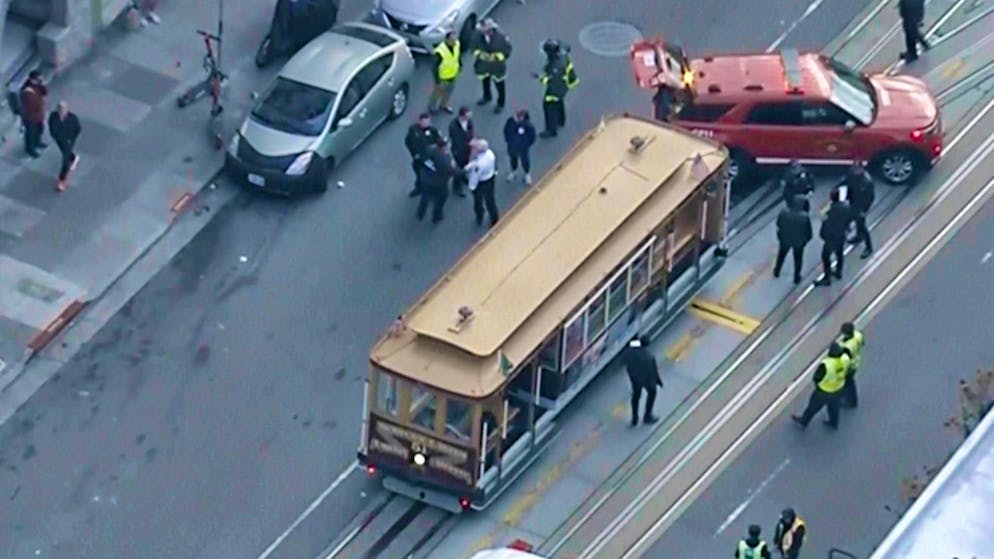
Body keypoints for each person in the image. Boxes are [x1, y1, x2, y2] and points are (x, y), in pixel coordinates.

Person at [792, 342, 850, 429]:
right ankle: (834, 423)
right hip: (838, 389)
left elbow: (817, 378)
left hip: (824, 391)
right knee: (834, 408)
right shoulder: (845, 359)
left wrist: (818, 385)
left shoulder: (826, 364)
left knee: (812, 407)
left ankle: (804, 421)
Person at [538, 39, 579, 138]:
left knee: (549, 106)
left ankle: (551, 130)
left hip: (556, 90)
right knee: (559, 102)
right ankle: (561, 120)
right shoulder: (563, 57)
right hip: (564, 87)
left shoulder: (554, 67)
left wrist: (542, 78)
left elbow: (553, 82)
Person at [814, 188, 852, 287]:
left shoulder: (830, 211)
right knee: (839, 253)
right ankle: (839, 271)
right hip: (841, 235)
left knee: (825, 257)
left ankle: (827, 278)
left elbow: (826, 224)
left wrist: (823, 235)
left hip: (831, 238)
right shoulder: (846, 207)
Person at [472, 19, 512, 113]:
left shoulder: (501, 37)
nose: (483, 32)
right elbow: (473, 47)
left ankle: (500, 104)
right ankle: (487, 96)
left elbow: (507, 50)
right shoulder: (477, 35)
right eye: (482, 30)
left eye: (485, 30)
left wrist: (497, 57)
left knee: (500, 86)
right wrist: (480, 55)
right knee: (485, 81)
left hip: (497, 67)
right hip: (483, 66)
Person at [623, 336, 662, 427]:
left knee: (636, 396)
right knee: (652, 393)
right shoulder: (649, 357)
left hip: (635, 379)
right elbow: (654, 371)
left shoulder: (629, 351)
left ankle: (634, 418)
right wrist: (658, 381)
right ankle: (647, 415)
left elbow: (624, 362)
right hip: (647, 379)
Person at [773, 196, 812, 285]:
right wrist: (805, 241)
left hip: (785, 239)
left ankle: (777, 270)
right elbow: (808, 232)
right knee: (798, 259)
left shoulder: (784, 212)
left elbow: (778, 224)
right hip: (798, 242)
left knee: (781, 255)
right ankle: (796, 277)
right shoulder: (805, 217)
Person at [416, 138, 455, 224]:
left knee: (425, 197)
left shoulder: (428, 150)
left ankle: (420, 212)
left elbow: (419, 160)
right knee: (441, 198)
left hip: (426, 180)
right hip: (439, 184)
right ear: (444, 147)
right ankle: (436, 216)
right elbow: (451, 171)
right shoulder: (445, 159)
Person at [404, 113, 443, 198]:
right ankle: (418, 188)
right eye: (424, 122)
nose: (426, 124)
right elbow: (408, 141)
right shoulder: (413, 129)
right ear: (420, 121)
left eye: (428, 122)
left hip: (429, 160)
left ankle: (432, 191)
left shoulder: (433, 130)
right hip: (418, 159)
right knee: (419, 175)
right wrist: (414, 154)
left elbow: (440, 142)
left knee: (431, 177)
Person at [842, 162, 875, 259]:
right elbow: (846, 182)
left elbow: (870, 198)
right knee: (847, 221)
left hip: (861, 207)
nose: (854, 170)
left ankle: (869, 247)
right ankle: (857, 236)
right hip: (852, 203)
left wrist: (864, 210)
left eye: (857, 169)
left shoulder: (867, 182)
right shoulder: (851, 174)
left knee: (862, 226)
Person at [48, 101, 82, 192]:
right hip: (60, 141)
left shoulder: (72, 118)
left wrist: (71, 139)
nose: (61, 111)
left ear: (67, 109)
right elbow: (51, 126)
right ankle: (73, 158)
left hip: (69, 141)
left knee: (65, 161)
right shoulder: (53, 116)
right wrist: (54, 135)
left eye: (63, 109)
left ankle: (61, 180)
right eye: (60, 109)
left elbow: (78, 128)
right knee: (64, 153)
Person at [465, 138, 499, 227]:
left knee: (478, 201)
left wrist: (472, 187)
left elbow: (475, 176)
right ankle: (494, 218)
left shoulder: (479, 164)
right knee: (490, 200)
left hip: (482, 183)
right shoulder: (490, 154)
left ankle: (480, 215)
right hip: (490, 178)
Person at [428, 31, 460, 114]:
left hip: (452, 75)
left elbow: (457, 56)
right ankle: (432, 108)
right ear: (447, 39)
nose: (454, 42)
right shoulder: (440, 51)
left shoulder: (457, 44)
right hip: (442, 78)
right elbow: (434, 67)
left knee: (448, 93)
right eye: (452, 40)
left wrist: (460, 65)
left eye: (455, 39)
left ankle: (444, 105)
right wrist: (437, 80)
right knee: (436, 94)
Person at [19, 71, 48, 158]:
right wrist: (42, 101)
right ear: (32, 80)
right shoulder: (27, 91)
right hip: (30, 117)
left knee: (39, 130)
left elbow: (45, 93)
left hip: (38, 114)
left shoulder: (38, 85)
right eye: (38, 79)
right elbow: (33, 104)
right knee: (30, 133)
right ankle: (30, 149)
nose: (39, 81)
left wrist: (43, 85)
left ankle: (37, 142)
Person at [503, 109, 536, 185]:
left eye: (520, 116)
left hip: (523, 148)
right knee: (513, 159)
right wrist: (508, 140)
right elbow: (506, 130)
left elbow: (532, 137)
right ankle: (513, 172)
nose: (518, 117)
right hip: (512, 145)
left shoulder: (527, 125)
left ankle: (527, 174)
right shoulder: (511, 122)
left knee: (525, 161)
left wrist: (526, 144)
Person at [448, 107, 475, 197]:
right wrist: (469, 142)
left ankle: (463, 177)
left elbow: (471, 132)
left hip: (467, 149)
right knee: (458, 169)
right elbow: (457, 140)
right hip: (458, 151)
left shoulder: (469, 122)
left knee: (465, 165)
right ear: (462, 116)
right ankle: (456, 186)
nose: (469, 118)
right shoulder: (453, 126)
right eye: (467, 116)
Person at [837, 321, 866, 408]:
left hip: (850, 366)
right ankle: (850, 399)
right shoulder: (857, 335)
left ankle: (851, 401)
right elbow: (862, 342)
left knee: (848, 383)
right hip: (856, 361)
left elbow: (845, 360)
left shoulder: (848, 347)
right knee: (850, 382)